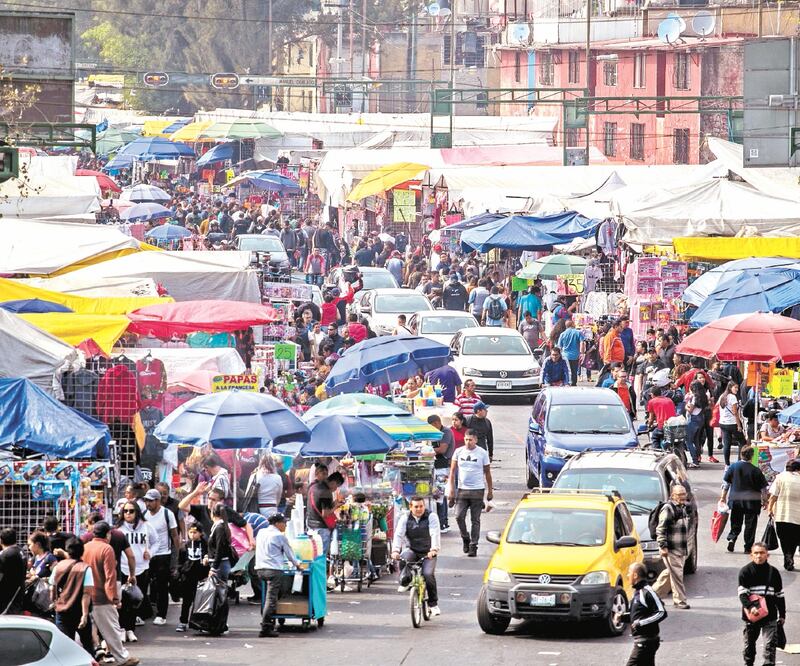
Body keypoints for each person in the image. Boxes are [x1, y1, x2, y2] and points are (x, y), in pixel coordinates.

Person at [84, 521, 139, 666]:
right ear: (107, 534)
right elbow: (110, 576)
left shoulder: (86, 547)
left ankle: (96, 656)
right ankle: (122, 658)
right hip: (102, 596)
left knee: (91, 629)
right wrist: (114, 598)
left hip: (87, 596)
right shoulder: (106, 549)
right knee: (112, 628)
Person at [255, 513, 305, 638]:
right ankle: (265, 627)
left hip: (260, 569)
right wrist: (298, 565)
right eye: (284, 522)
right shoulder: (279, 536)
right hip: (273, 571)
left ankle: (270, 620)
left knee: (266, 597)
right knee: (271, 598)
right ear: (277, 523)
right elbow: (290, 554)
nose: (286, 525)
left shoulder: (261, 532)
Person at [391, 496, 442, 617]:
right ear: (410, 507)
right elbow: (398, 535)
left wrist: (434, 549)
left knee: (428, 574)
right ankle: (405, 582)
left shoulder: (431, 516)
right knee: (403, 558)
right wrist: (395, 551)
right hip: (413, 550)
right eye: (416, 507)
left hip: (428, 552)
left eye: (421, 506)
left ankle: (433, 604)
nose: (419, 509)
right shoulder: (405, 518)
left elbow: (435, 533)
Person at [738, 542, 786, 666]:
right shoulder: (745, 572)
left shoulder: (774, 572)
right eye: (756, 553)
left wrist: (782, 615)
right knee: (749, 648)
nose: (759, 556)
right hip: (751, 616)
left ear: (767, 555)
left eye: (762, 553)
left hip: (770, 616)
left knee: (769, 648)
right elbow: (742, 594)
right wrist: (750, 607)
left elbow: (779, 595)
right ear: (751, 555)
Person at [448, 429, 493, 557]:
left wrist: (490, 491)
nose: (468, 442)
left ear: (476, 440)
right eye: (466, 439)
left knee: (475, 520)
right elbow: (452, 472)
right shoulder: (458, 452)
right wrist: (451, 489)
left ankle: (473, 545)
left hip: (477, 490)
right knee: (458, 516)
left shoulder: (482, 453)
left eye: (471, 440)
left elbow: (488, 473)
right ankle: (465, 537)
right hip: (462, 490)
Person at [117, 501, 157, 641]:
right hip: (122, 567)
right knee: (121, 601)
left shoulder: (146, 526)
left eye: (131, 511)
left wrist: (150, 553)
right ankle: (122, 628)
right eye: (125, 511)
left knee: (135, 600)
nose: (128, 514)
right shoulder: (119, 528)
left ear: (137, 512)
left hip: (141, 568)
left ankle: (130, 629)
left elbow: (156, 541)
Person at [50, 537, 95, 655]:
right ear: (82, 551)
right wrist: (85, 615)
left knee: (65, 647)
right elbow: (86, 594)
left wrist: (54, 602)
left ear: (67, 550)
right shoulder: (86, 568)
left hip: (62, 611)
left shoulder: (58, 567)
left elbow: (52, 587)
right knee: (88, 646)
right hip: (79, 612)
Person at [178, 483, 255, 550]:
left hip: (226, 550)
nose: (210, 502)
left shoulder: (225, 510)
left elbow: (246, 525)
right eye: (209, 499)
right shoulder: (202, 510)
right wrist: (195, 492)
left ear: (221, 501)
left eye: (213, 500)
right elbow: (182, 506)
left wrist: (251, 540)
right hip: (210, 550)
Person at [142, 488, 180, 625]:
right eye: (146, 501)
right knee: (144, 583)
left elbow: (175, 535)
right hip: (148, 554)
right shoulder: (144, 514)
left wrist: (176, 558)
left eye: (150, 501)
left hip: (163, 554)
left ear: (158, 501)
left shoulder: (167, 513)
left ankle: (161, 614)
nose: (148, 503)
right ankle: (143, 613)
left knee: (161, 585)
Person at [721, 445, 768, 554]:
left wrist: (723, 497)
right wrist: (765, 501)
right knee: (750, 525)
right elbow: (763, 489)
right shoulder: (756, 470)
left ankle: (732, 537)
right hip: (752, 501)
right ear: (752, 456)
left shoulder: (733, 467)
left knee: (736, 521)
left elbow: (726, 484)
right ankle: (748, 547)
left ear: (741, 455)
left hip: (736, 500)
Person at [618, 562, 667, 666]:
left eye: (629, 573)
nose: (627, 575)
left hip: (646, 641)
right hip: (644, 641)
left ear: (635, 575)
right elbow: (638, 615)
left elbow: (661, 612)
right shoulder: (637, 592)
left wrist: (641, 623)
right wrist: (622, 617)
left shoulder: (647, 592)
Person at [652, 485, 691, 610]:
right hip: (671, 549)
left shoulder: (682, 507)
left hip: (680, 549)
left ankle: (650, 596)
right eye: (679, 494)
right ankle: (680, 601)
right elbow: (660, 529)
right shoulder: (668, 509)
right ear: (673, 495)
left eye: (684, 494)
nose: (682, 497)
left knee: (670, 574)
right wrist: (663, 546)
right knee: (677, 575)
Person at [768, 459, 800, 571]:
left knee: (784, 538)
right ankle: (790, 555)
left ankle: (787, 555)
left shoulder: (780, 477)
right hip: (797, 517)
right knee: (795, 538)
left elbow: (773, 496)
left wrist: (770, 508)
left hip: (782, 515)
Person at [176, 523, 209, 632]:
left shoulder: (205, 545)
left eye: (195, 532)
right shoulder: (185, 546)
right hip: (188, 576)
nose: (192, 535)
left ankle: (199, 623)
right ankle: (183, 621)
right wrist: (181, 570)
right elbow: (180, 560)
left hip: (201, 576)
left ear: (200, 533)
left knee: (200, 601)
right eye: (190, 532)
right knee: (186, 601)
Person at [429, 415, 454, 532]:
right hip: (437, 466)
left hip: (444, 467)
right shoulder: (434, 433)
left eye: (432, 425)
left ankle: (443, 522)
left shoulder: (446, 432)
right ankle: (440, 521)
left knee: (441, 494)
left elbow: (442, 449)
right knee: (437, 494)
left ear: (437, 422)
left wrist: (427, 450)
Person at [306, 464, 336, 556]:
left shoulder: (311, 487)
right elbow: (325, 514)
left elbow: (319, 505)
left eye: (326, 474)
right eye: (323, 474)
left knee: (313, 555)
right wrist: (336, 506)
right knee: (321, 557)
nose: (325, 476)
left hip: (311, 526)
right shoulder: (324, 491)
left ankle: (315, 570)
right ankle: (321, 571)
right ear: (316, 474)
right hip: (321, 528)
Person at [683, 380, 709, 468]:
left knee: (689, 441)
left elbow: (690, 410)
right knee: (696, 440)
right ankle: (697, 458)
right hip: (700, 418)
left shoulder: (694, 397)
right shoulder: (703, 396)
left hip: (693, 419)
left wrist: (686, 406)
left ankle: (694, 461)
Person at [718, 380, 745, 466]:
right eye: (735, 387)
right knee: (742, 441)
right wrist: (739, 425)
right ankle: (740, 461)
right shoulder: (732, 397)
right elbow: (735, 413)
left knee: (727, 443)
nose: (737, 389)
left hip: (723, 423)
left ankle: (727, 464)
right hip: (732, 423)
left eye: (737, 387)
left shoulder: (722, 396)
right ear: (730, 388)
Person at [0, 528, 25, 614]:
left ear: (1, 540)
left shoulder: (5, 555)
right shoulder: (21, 552)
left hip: (6, 598)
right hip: (17, 595)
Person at [207, 503, 235, 581]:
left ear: (213, 513)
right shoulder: (219, 526)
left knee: (218, 590)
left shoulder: (219, 528)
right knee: (219, 590)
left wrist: (214, 568)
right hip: (220, 563)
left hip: (220, 564)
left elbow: (220, 548)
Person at [557, 320, 583, 386]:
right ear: (572, 324)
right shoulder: (578, 333)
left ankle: (566, 383)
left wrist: (558, 356)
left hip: (565, 356)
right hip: (575, 356)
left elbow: (559, 347)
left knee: (566, 371)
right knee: (574, 371)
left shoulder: (562, 334)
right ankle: (573, 384)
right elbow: (582, 343)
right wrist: (582, 353)